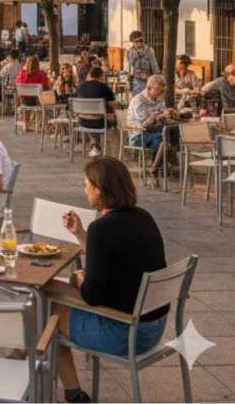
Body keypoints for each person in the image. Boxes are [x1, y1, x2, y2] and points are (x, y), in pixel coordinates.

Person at [46, 157, 168, 404]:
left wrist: (80, 278)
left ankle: (72, 394)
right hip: (154, 326)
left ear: (99, 191)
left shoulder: (102, 228)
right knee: (48, 292)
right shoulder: (143, 217)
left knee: (47, 312)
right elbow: (117, 259)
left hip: (125, 331)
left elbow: (92, 295)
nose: (84, 190)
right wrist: (81, 234)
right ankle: (68, 392)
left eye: (86, 185)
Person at [127, 74, 178, 186]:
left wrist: (169, 114)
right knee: (163, 139)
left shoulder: (160, 99)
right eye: (158, 90)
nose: (161, 92)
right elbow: (143, 124)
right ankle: (155, 169)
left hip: (156, 130)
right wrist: (157, 117)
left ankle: (160, 164)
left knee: (174, 131)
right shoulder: (138, 101)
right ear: (149, 88)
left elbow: (162, 114)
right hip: (139, 133)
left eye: (162, 90)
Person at [76, 66, 117, 157]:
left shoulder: (81, 86)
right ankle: (111, 150)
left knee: (96, 117)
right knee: (113, 119)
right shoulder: (104, 87)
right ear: (101, 76)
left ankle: (95, 146)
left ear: (90, 75)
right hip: (100, 123)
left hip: (83, 122)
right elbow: (112, 102)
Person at [16, 55, 51, 131]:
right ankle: (38, 125)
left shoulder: (22, 73)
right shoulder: (41, 74)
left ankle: (25, 125)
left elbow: (18, 85)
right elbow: (45, 86)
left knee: (26, 101)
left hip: (25, 101)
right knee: (40, 97)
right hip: (37, 101)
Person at [125, 31, 159, 95]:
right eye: (136, 41)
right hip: (136, 79)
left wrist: (157, 79)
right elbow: (129, 67)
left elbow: (155, 66)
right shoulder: (130, 51)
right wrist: (129, 80)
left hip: (149, 79)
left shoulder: (149, 50)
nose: (139, 43)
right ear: (132, 41)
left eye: (141, 41)